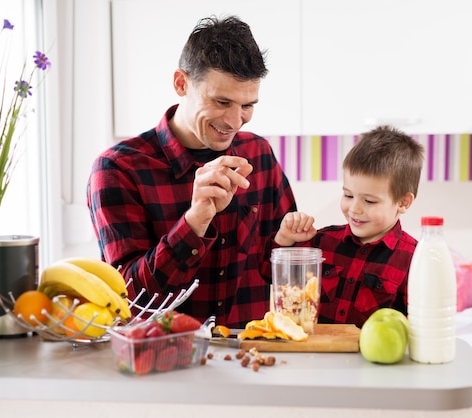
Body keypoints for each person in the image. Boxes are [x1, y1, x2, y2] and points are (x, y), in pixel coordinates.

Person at [87, 16, 296, 328]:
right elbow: (127, 296)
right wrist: (194, 221)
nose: (235, 121)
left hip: (252, 355)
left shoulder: (258, 153)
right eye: (221, 101)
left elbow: (285, 263)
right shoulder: (118, 169)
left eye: (247, 106)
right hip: (164, 359)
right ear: (181, 84)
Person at [270, 125, 425, 327]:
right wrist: (285, 240)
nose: (355, 209)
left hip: (372, 358)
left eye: (369, 201)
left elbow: (421, 325)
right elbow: (269, 275)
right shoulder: (321, 242)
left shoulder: (415, 259)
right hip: (315, 355)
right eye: (348, 195)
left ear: (403, 202)